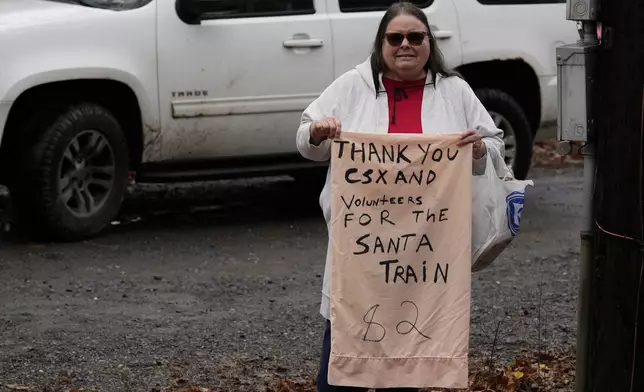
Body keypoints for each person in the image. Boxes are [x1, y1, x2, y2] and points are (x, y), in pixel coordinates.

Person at [295, 2, 505, 391]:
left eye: (415, 37)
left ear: (429, 42)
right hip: (362, 249)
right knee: (342, 360)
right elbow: (306, 138)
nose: (405, 45)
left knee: (411, 357)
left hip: (428, 254)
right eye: (395, 38)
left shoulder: (455, 91)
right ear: (381, 43)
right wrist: (318, 131)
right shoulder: (352, 86)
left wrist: (478, 151)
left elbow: (494, 143)